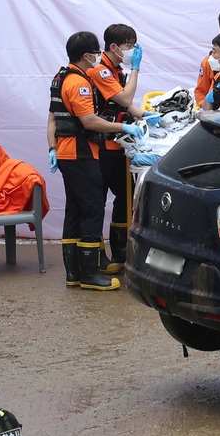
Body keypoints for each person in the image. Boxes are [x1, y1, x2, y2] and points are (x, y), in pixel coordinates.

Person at [47, 31, 143, 290]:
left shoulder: (60, 77)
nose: (98, 57)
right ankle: (90, 274)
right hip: (82, 152)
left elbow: (52, 119)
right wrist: (123, 128)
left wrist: (52, 147)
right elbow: (89, 121)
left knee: (75, 211)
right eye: (95, 53)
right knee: (92, 209)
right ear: (87, 55)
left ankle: (74, 273)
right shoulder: (79, 83)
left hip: (67, 151)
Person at [91, 25, 147, 276]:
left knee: (126, 197)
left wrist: (150, 115)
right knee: (97, 200)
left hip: (120, 145)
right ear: (114, 47)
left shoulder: (115, 70)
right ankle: (95, 256)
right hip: (102, 145)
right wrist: (136, 68)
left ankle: (121, 250)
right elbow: (124, 98)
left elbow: (127, 105)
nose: (132, 50)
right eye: (129, 45)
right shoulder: (100, 70)